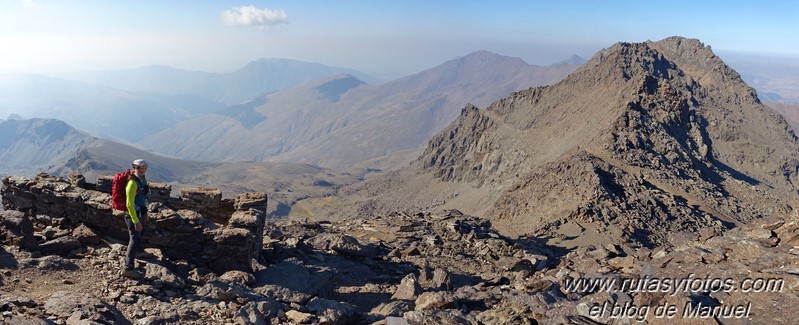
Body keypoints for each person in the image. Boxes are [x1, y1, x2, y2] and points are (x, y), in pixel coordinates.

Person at [121, 159, 150, 278]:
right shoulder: (132, 183)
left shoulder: (143, 180)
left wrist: (145, 213)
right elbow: (129, 204)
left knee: (140, 233)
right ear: (134, 168)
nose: (141, 170)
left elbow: (144, 197)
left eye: (144, 168)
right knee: (133, 240)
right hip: (132, 216)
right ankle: (128, 268)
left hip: (141, 213)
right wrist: (135, 221)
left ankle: (139, 252)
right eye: (138, 168)